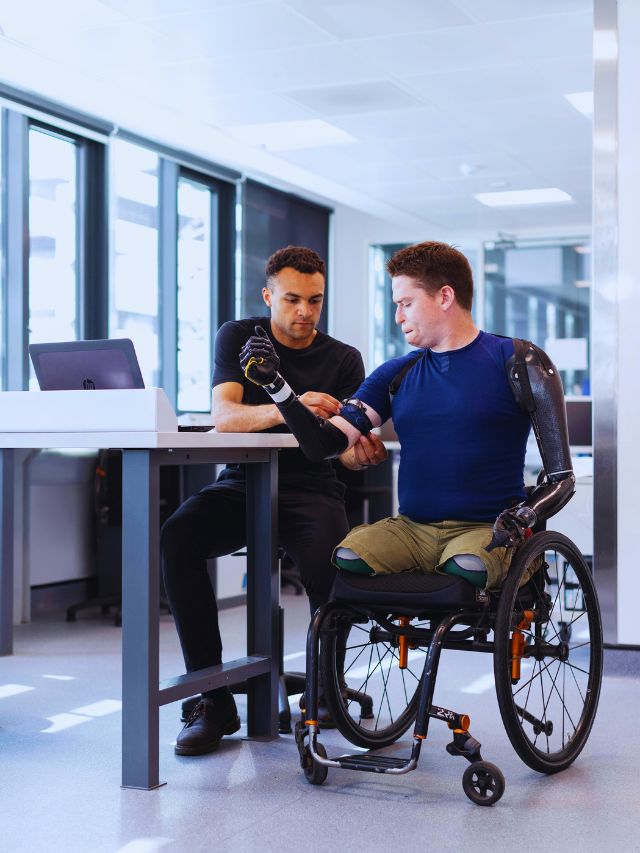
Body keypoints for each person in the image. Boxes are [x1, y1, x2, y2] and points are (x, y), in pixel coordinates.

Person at [240, 240, 575, 593]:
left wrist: (524, 517)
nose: (398, 317)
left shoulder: (520, 362)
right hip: (412, 531)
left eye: (406, 304)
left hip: (485, 529)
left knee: (466, 567)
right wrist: (276, 385)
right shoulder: (395, 374)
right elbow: (323, 445)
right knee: (347, 558)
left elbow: (562, 478)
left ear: (445, 297)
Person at [162, 245, 385, 756]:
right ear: (268, 296)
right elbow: (225, 417)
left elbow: (344, 452)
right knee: (178, 537)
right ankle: (213, 699)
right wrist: (290, 405)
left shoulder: (344, 359)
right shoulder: (241, 338)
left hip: (313, 487)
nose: (305, 311)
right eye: (291, 299)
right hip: (244, 481)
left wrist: (359, 456)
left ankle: (326, 687)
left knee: (332, 567)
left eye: (315, 300)